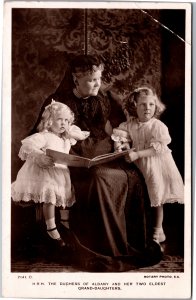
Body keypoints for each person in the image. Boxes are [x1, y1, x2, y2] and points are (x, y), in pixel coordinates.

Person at [30, 55, 161, 265]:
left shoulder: (101, 97)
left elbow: (113, 126)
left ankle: (130, 240)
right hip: (73, 159)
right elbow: (41, 133)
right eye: (91, 80)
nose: (97, 84)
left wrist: (119, 141)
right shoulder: (57, 101)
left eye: (99, 78)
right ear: (75, 79)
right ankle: (101, 243)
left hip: (102, 153)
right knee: (99, 179)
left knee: (134, 175)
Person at [11, 100, 89, 247]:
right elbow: (27, 146)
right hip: (44, 173)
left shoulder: (65, 138)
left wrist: (67, 127)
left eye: (66, 120)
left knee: (65, 196)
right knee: (51, 196)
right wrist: (40, 156)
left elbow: (77, 133)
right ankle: (51, 227)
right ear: (49, 121)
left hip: (60, 173)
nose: (63, 123)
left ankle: (65, 224)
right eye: (59, 119)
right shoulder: (44, 136)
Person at [111, 86, 184, 243]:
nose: (147, 108)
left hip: (155, 163)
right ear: (134, 106)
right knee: (141, 194)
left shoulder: (157, 126)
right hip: (137, 163)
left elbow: (157, 147)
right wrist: (121, 146)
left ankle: (158, 229)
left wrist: (137, 154)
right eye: (143, 105)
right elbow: (123, 137)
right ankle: (138, 227)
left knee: (157, 194)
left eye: (151, 104)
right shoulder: (130, 124)